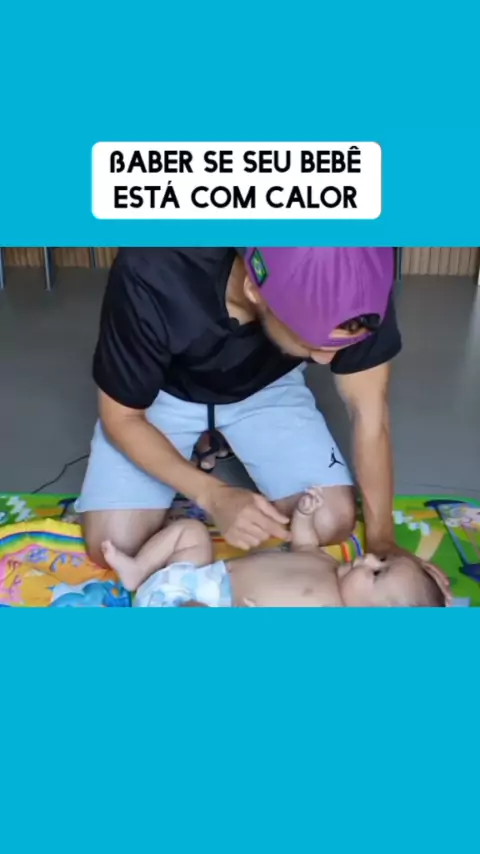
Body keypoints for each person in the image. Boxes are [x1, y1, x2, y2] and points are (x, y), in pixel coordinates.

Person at [76, 247, 412, 568]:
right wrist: (213, 495)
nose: (326, 361)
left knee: (330, 521)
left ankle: (216, 439)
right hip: (164, 391)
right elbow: (122, 418)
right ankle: (204, 440)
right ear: (254, 288)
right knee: (116, 545)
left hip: (265, 388)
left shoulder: (358, 275)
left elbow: (370, 414)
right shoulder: (151, 266)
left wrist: (382, 539)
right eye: (311, 343)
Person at [100, 487, 448, 608]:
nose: (368, 558)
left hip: (208, 605)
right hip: (199, 573)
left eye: (376, 573)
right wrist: (305, 516)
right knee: (191, 531)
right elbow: (304, 542)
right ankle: (139, 570)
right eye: (381, 558)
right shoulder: (327, 565)